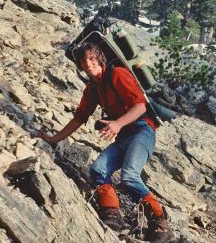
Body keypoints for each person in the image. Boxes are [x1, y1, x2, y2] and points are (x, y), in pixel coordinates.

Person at [36, 42, 175, 242]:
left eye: (91, 58)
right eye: (84, 60)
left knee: (129, 176)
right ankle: (113, 215)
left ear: (100, 59)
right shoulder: (93, 88)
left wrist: (117, 124)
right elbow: (79, 118)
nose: (88, 63)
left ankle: (161, 223)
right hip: (124, 135)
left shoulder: (118, 74)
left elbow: (140, 107)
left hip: (143, 131)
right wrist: (53, 139)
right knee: (98, 169)